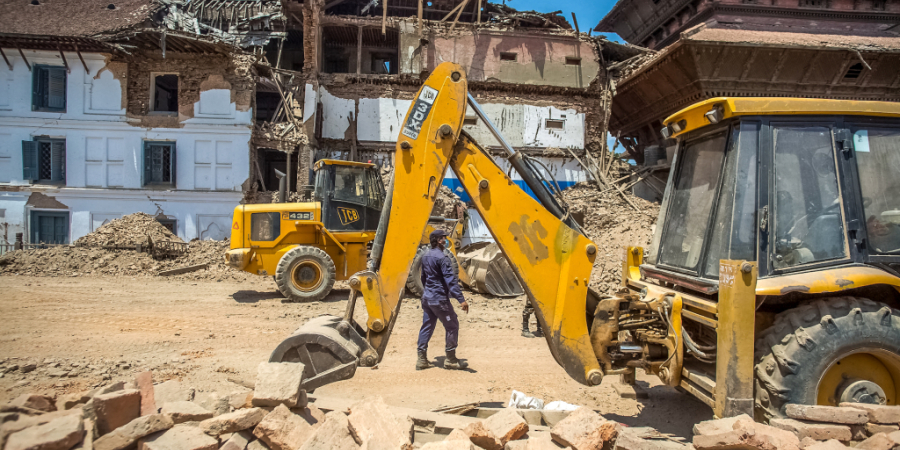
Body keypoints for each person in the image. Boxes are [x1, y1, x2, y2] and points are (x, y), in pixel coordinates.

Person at [416, 229, 469, 371]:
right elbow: (450, 281)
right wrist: (461, 300)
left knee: (427, 326)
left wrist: (427, 292)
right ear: (439, 240)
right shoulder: (443, 257)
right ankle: (451, 359)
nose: (446, 240)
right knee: (452, 325)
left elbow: (423, 278)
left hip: (427, 298)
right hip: (439, 299)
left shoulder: (425, 256)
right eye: (444, 238)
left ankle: (421, 359)